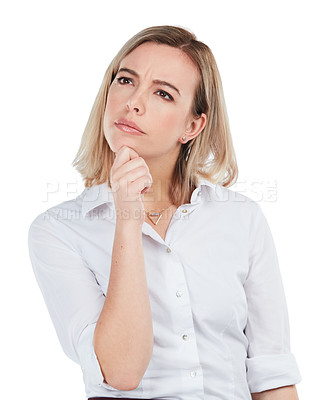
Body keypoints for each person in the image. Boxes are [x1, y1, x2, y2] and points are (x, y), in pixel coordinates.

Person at [28, 25, 302, 400]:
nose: (133, 102)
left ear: (192, 126)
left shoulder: (241, 218)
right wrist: (128, 218)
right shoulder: (58, 231)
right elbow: (120, 372)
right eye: (125, 80)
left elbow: (272, 373)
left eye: (162, 93)